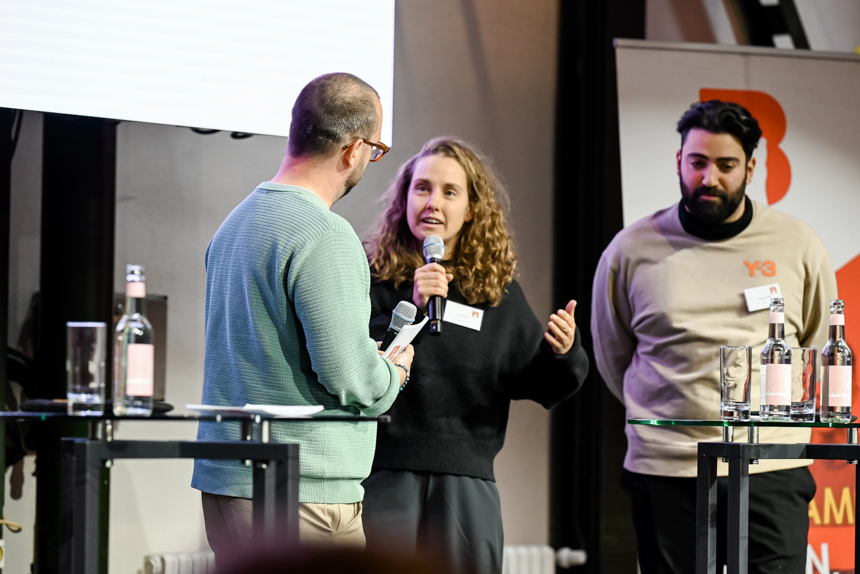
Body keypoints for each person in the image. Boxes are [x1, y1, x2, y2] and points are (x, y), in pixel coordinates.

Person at [591, 100, 836, 574]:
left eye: (726, 165)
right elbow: (613, 356)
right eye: (697, 162)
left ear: (750, 167)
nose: (709, 179)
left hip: (772, 467)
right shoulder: (631, 249)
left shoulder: (797, 245)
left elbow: (816, 341)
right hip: (667, 470)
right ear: (678, 162)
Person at [191, 73, 414, 559]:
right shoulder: (325, 234)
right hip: (300, 491)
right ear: (353, 150)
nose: (369, 162)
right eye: (376, 151)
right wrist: (391, 373)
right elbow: (351, 377)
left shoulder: (234, 223)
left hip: (231, 479)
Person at [361, 137, 589, 574]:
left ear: (470, 210)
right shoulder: (370, 276)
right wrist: (411, 307)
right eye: (422, 188)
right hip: (384, 475)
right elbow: (356, 363)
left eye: (450, 192)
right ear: (404, 199)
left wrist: (563, 352)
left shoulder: (496, 291)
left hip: (466, 484)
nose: (433, 202)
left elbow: (538, 384)